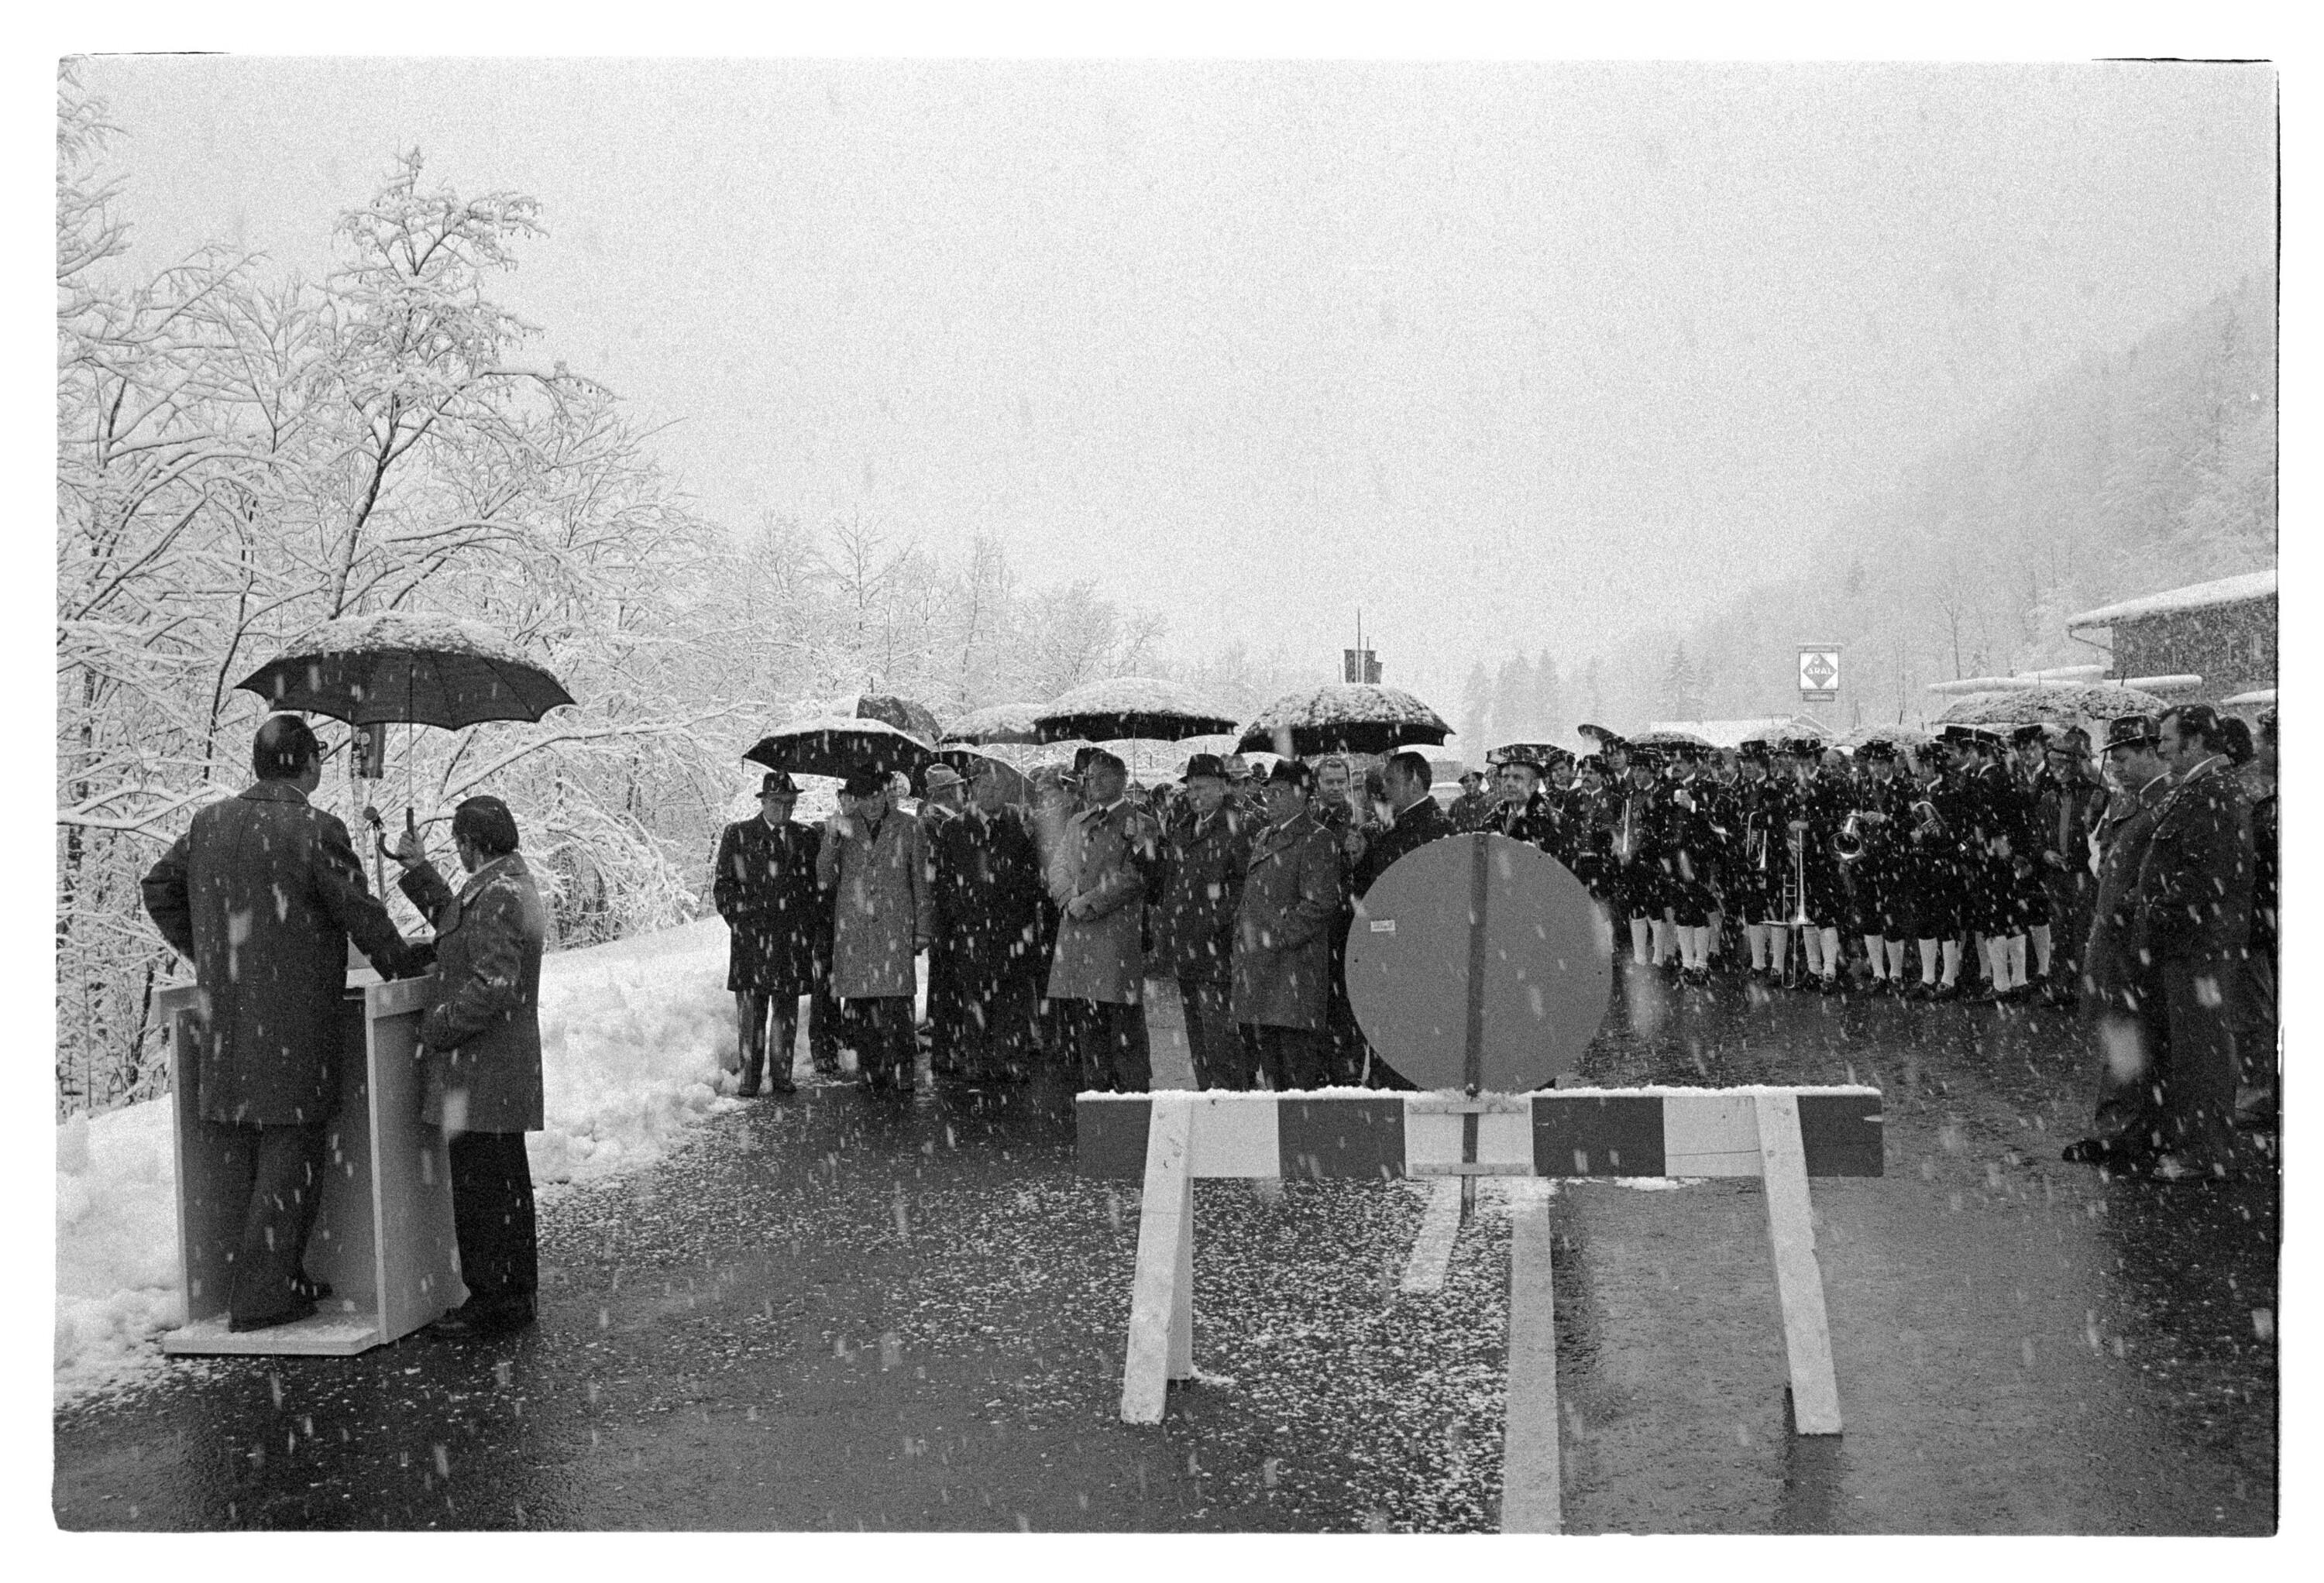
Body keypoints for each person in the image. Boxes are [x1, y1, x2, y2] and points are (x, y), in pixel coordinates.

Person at [141, 716, 423, 1331]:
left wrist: (213, 955)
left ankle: (277, 1277)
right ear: (308, 764)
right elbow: (360, 913)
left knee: (256, 1154)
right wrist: (406, 968)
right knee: (292, 1157)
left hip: (228, 1021)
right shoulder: (316, 830)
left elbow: (158, 887)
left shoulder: (209, 824)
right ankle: (263, 1296)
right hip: (295, 1027)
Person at [390, 796, 548, 1336]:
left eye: (458, 842)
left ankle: (493, 1301)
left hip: (483, 1068)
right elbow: (459, 925)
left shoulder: (500, 894)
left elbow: (494, 984)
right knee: (503, 1185)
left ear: (472, 843)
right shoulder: (503, 885)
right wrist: (418, 870)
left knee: (483, 1190)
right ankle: (512, 1295)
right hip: (496, 1071)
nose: (456, 851)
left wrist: (439, 1026)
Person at [2129, 704, 2254, 1180]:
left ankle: (2206, 1154)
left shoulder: (2212, 791)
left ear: (2197, 741)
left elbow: (2205, 876)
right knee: (2194, 1051)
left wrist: (2158, 913)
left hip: (2198, 948)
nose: (2160, 747)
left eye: (2166, 738)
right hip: (2192, 946)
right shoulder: (2200, 788)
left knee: (2203, 1054)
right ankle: (2198, 1146)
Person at [2064, 715, 2178, 1169]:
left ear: (2152, 752)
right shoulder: (2128, 802)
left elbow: (2155, 878)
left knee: (2135, 1037)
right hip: (2115, 938)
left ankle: (2129, 1131)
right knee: (2120, 1035)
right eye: (2113, 760)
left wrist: (2127, 912)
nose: (2116, 768)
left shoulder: (2167, 802)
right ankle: (2118, 1128)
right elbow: (2109, 866)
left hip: (2136, 941)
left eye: (2125, 759)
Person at [816, 767, 933, 1095]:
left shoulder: (909, 826)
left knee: (897, 1005)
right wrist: (831, 839)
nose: (871, 804)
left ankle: (903, 1071)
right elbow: (825, 877)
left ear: (886, 795)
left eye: (877, 796)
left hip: (894, 927)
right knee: (863, 1007)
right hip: (856, 932)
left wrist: (923, 928)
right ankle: (871, 1072)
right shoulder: (843, 827)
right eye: (864, 798)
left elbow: (921, 880)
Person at [1046, 749, 1158, 1092]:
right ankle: (1096, 1094)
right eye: (1090, 777)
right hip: (1078, 938)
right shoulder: (1076, 823)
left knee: (1124, 1027)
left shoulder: (1140, 823)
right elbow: (1058, 866)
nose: (1092, 783)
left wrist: (1089, 902)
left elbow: (1135, 877)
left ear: (1122, 780)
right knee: (1088, 1027)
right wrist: (1067, 898)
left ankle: (1132, 1097)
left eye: (1101, 777)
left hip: (1115, 940)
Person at [928, 757, 1047, 1083]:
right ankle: (976, 1059)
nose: (992, 792)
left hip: (1012, 928)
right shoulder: (953, 829)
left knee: (1012, 998)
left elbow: (1034, 876)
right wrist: (959, 916)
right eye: (985, 786)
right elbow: (943, 882)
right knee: (974, 998)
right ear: (972, 789)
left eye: (998, 787)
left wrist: (1015, 902)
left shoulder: (1019, 826)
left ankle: (1011, 1059)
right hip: (971, 929)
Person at [711, 772, 825, 1097]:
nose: (784, 809)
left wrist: (805, 927)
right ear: (763, 801)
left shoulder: (806, 837)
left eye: (790, 803)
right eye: (777, 802)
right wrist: (743, 920)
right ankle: (750, 1078)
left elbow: (814, 888)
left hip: (792, 941)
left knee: (786, 1012)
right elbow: (724, 887)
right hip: (752, 940)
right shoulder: (739, 835)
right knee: (751, 1013)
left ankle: (782, 1075)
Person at [1232, 760, 1344, 1090]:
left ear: (1301, 796)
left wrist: (1273, 938)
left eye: (1279, 793)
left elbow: (1319, 904)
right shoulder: (1266, 835)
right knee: (1274, 1076)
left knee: (1296, 1079)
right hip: (1264, 974)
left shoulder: (1317, 839)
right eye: (1269, 792)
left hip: (1293, 976)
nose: (1270, 799)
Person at [1150, 754, 1256, 1089]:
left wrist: (1213, 922)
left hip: (1217, 949)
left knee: (1221, 1036)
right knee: (1197, 1036)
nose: (1194, 795)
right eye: (1191, 788)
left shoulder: (1239, 827)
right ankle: (1207, 1094)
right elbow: (1170, 882)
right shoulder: (1183, 828)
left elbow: (1244, 887)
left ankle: (1230, 1099)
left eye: (1202, 788)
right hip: (1186, 949)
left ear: (1223, 787)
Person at [2033, 727, 2105, 1008]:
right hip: (2057, 875)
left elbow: (2101, 838)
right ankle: (2058, 987)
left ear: (2075, 765)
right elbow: (2037, 836)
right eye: (2053, 765)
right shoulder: (2048, 799)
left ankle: (2082, 989)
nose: (2056, 771)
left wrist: (2093, 819)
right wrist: (2044, 853)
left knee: (2082, 932)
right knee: (2059, 932)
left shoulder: (2096, 795)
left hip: (2083, 874)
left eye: (2061, 765)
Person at [916, 764, 968, 1074]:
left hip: (948, 912)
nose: (964, 792)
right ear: (947, 792)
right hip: (945, 913)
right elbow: (935, 871)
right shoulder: (933, 824)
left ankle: (947, 1047)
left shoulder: (944, 821)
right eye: (959, 787)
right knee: (947, 982)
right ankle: (946, 1050)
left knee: (946, 981)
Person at [1449, 769, 1494, 833]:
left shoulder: (1489, 801)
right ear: (1463, 785)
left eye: (1473, 780)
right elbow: (1450, 827)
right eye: (1467, 781)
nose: (1470, 784)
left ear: (1480, 783)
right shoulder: (1457, 804)